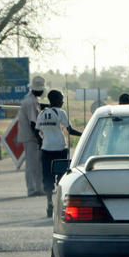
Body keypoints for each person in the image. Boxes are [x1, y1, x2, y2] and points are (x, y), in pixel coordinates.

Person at [36, 90, 83, 218]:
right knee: (62, 177)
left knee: (48, 177)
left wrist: (42, 141)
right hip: (60, 149)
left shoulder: (42, 113)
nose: (63, 101)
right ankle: (60, 204)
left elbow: (36, 131)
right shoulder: (60, 113)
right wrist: (84, 135)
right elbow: (70, 130)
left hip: (46, 150)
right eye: (61, 99)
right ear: (56, 100)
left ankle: (49, 203)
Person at [18, 75, 46, 197]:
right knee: (32, 164)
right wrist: (39, 139)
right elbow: (33, 123)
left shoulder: (31, 100)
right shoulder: (31, 102)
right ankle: (32, 189)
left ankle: (38, 188)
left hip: (31, 137)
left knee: (37, 164)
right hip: (31, 137)